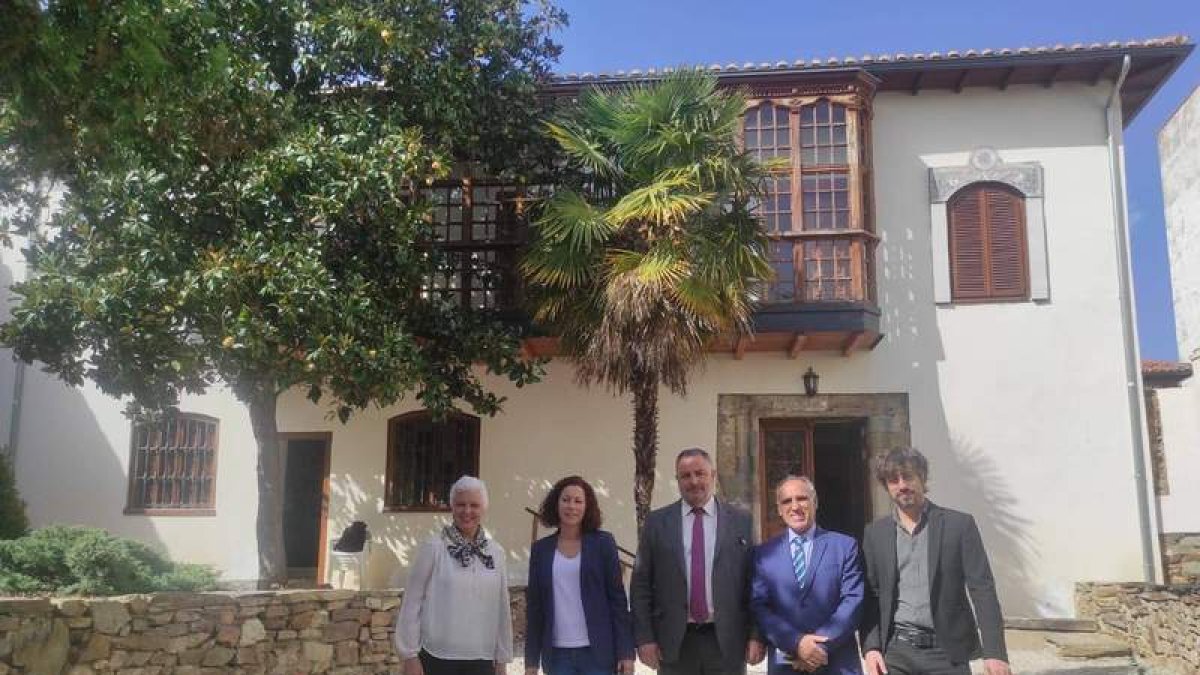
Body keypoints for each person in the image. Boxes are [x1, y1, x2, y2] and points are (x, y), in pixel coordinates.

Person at [860, 447, 1011, 675]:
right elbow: (871, 595)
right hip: (896, 653)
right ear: (886, 486)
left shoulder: (959, 526)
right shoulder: (875, 533)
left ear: (922, 477)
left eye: (908, 476)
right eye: (893, 480)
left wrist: (995, 652)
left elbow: (982, 589)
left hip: (946, 654)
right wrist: (871, 647)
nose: (902, 485)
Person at [630, 447, 765, 675]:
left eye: (700, 473)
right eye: (685, 476)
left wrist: (756, 635)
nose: (693, 481)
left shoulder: (741, 521)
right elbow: (641, 585)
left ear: (713, 475)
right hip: (674, 643)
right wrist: (645, 638)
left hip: (727, 642)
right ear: (678, 480)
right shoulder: (657, 523)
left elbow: (755, 582)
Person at [394, 476, 512, 675]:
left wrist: (502, 659)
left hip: (483, 660)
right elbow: (412, 603)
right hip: (437, 658)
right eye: (461, 504)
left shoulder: (495, 553)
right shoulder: (433, 548)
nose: (467, 511)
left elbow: (502, 608)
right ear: (452, 507)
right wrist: (410, 656)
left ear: (484, 508)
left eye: (474, 505)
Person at [750, 476, 864, 674]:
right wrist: (797, 644)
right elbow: (760, 606)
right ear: (779, 509)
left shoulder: (845, 547)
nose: (795, 507)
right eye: (787, 501)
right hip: (786, 662)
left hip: (837, 663)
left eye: (802, 498)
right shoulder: (764, 554)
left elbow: (853, 601)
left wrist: (817, 648)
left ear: (815, 502)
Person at [525, 476, 636, 675]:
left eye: (578, 501)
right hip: (558, 656)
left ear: (587, 507)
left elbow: (618, 601)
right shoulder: (541, 550)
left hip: (598, 654)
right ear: (556, 503)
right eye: (566, 500)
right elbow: (535, 608)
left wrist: (626, 653)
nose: (571, 506)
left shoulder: (603, 544)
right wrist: (531, 663)